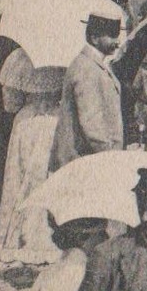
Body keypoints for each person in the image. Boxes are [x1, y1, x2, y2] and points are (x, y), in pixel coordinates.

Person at [0, 46, 65, 260]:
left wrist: (30, 99)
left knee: (21, 177)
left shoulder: (15, 59)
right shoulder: (62, 60)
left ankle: (17, 237)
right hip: (53, 121)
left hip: (26, 124)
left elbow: (10, 105)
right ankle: (44, 236)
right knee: (44, 177)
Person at [49, 11, 125, 174]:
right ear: (94, 38)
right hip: (81, 163)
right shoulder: (86, 68)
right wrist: (111, 158)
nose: (117, 42)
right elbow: (92, 125)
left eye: (117, 35)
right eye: (111, 35)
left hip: (89, 160)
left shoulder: (94, 65)